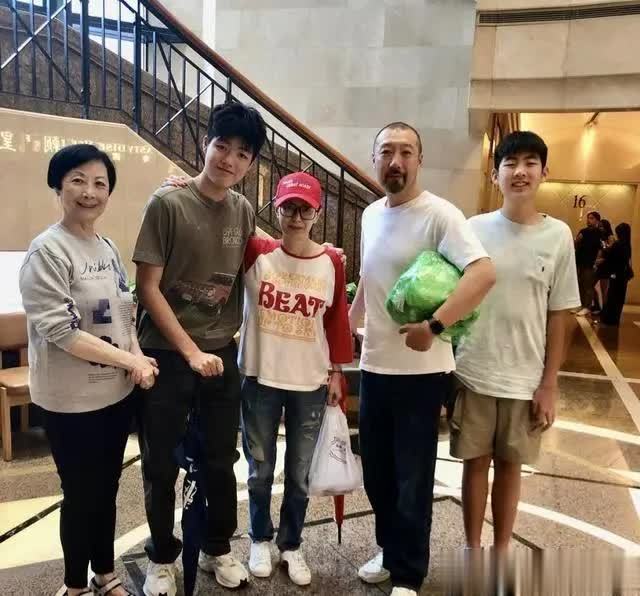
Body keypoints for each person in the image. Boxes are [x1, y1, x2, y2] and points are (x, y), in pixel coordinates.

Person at [348, 122, 496, 596]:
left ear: (420, 160)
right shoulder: (371, 214)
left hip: (422, 374)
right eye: (386, 151)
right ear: (374, 159)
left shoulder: (440, 215)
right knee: (377, 473)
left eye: (406, 152)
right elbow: (369, 277)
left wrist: (433, 327)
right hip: (374, 366)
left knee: (412, 476)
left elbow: (483, 274)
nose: (396, 161)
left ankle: (408, 573)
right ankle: (390, 550)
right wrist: (350, 323)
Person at [133, 102, 267, 596]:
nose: (229, 160)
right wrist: (189, 352)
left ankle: (216, 548)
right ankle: (161, 558)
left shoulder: (243, 210)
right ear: (205, 144)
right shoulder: (167, 204)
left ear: (251, 163)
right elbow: (147, 287)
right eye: (222, 146)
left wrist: (322, 255)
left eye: (242, 154)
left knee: (219, 459)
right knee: (160, 462)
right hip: (166, 354)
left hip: (220, 354)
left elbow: (265, 256)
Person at [19, 144, 158, 596]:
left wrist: (137, 354)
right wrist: (131, 361)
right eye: (77, 180)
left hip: (115, 395)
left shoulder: (107, 246)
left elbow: (123, 312)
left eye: (100, 183)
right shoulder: (47, 251)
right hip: (69, 401)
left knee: (108, 487)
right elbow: (63, 332)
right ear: (58, 186)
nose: (89, 192)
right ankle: (75, 584)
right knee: (80, 493)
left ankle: (105, 572)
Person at [451, 131, 580, 564]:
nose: (519, 171)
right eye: (510, 163)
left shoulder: (558, 236)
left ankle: (502, 552)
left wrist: (550, 384)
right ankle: (472, 550)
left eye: (529, 163)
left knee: (511, 466)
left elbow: (560, 313)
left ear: (545, 172)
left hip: (526, 378)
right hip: (474, 369)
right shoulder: (474, 229)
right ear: (495, 174)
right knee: (475, 462)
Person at [239, 172, 353, 586]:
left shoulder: (331, 262)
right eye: (289, 208)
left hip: (310, 381)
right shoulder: (257, 252)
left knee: (300, 473)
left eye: (305, 210)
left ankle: (291, 544)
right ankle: (259, 538)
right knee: (259, 469)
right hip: (260, 376)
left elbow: (336, 321)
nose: (296, 217)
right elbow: (219, 217)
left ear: (318, 214)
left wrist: (337, 372)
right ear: (276, 209)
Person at [601, 222, 633, 326]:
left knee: (612, 296)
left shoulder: (617, 244)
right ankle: (615, 318)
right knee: (620, 298)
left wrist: (605, 248)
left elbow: (610, 258)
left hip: (615, 275)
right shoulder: (627, 245)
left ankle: (609, 318)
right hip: (623, 276)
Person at [574, 210, 602, 316]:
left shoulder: (599, 233)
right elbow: (575, 244)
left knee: (588, 285)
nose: (589, 220)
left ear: (597, 220)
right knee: (580, 284)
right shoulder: (583, 231)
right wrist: (577, 240)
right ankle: (581, 305)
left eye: (591, 218)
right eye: (588, 218)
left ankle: (587, 307)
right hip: (580, 261)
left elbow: (600, 249)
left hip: (590, 262)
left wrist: (596, 262)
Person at [594, 219, 615, 312]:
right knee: (590, 285)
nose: (600, 228)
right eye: (599, 226)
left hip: (606, 265)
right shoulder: (600, 237)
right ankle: (597, 306)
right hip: (599, 265)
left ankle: (605, 310)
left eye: (602, 226)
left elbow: (610, 250)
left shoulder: (610, 237)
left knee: (604, 290)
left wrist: (604, 245)